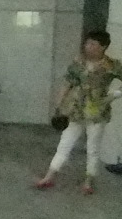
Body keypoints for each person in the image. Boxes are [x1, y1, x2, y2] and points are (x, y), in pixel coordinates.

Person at [36, 29, 121, 194]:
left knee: (93, 148)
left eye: (93, 44)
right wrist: (59, 104)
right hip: (75, 111)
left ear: (103, 47)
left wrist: (114, 96)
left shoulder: (112, 65)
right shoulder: (79, 63)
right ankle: (49, 177)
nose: (88, 46)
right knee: (64, 144)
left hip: (97, 113)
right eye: (87, 43)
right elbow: (67, 83)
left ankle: (88, 182)